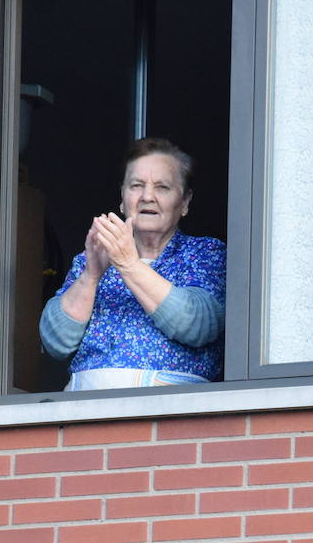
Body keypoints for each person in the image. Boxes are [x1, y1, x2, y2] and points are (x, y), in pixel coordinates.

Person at [40, 137, 226, 391]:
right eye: (137, 185)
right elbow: (55, 342)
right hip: (83, 414)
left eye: (162, 187)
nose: (147, 196)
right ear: (122, 197)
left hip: (168, 415)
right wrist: (91, 275)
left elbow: (198, 324)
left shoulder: (205, 251)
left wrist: (128, 263)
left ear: (184, 202)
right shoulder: (92, 257)